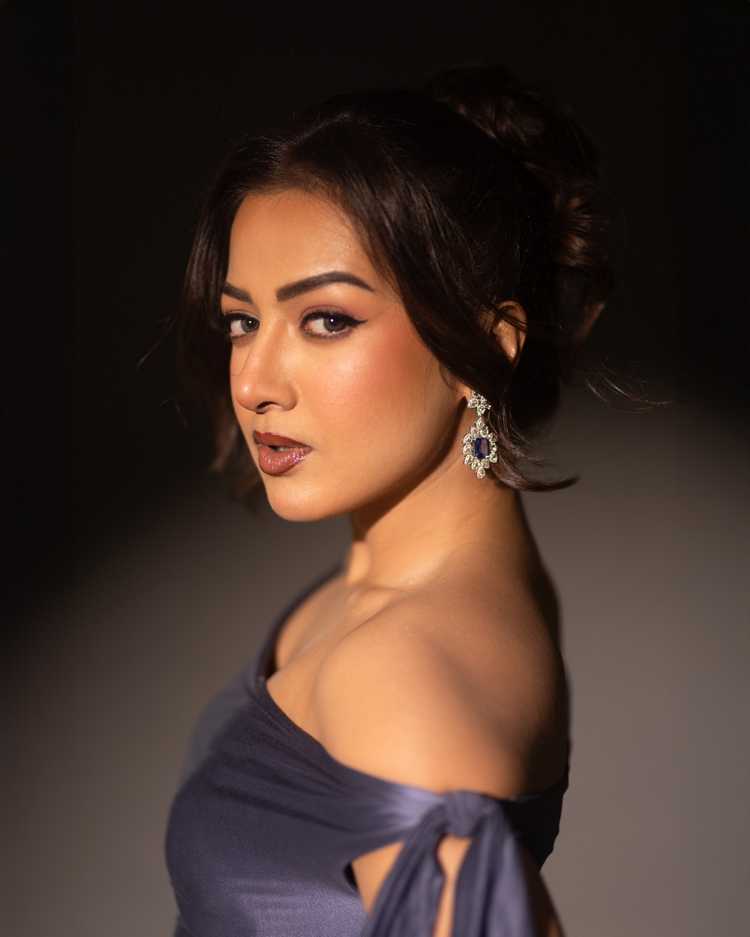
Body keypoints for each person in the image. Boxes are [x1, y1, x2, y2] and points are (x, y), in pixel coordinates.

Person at [163, 61, 621, 936]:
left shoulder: (403, 675)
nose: (253, 381)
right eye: (242, 321)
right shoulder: (404, 593)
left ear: (486, 343)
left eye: (327, 319)